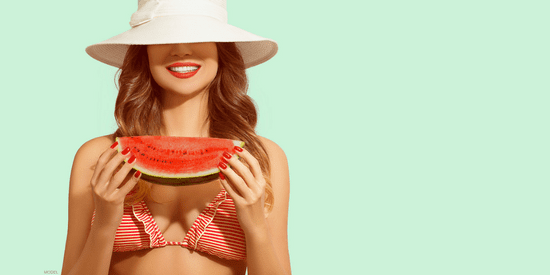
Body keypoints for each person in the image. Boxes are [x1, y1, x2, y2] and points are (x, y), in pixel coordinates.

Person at [60, 1, 290, 274]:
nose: (182, 49)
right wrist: (105, 223)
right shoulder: (98, 155)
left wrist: (256, 228)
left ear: (221, 48)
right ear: (143, 52)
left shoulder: (262, 157)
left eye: (198, 35)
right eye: (163, 37)